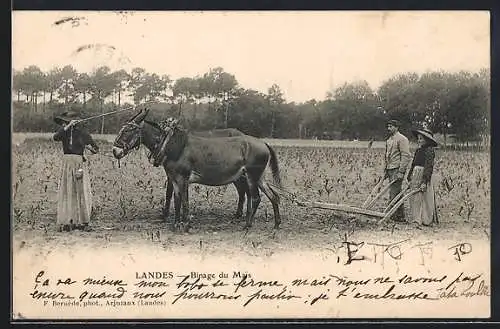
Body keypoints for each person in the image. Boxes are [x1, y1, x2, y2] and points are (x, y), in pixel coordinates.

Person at [53, 111, 99, 232]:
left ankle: (82, 221)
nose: (63, 124)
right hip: (67, 163)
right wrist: (67, 127)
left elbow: (96, 149)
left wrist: (90, 149)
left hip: (79, 164)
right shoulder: (64, 132)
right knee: (68, 191)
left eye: (65, 122)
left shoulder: (83, 133)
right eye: (63, 123)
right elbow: (55, 137)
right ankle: (68, 221)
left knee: (80, 191)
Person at [407, 127, 439, 226]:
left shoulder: (429, 151)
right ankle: (416, 218)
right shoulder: (418, 150)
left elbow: (428, 166)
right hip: (415, 174)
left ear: (427, 140)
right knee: (415, 197)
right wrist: (409, 176)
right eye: (419, 138)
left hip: (423, 174)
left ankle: (425, 219)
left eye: (422, 139)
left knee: (424, 197)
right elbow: (413, 163)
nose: (419, 140)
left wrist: (425, 181)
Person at [384, 119, 411, 222]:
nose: (389, 128)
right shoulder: (389, 140)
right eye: (388, 126)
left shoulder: (402, 139)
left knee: (394, 193)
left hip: (397, 169)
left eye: (391, 127)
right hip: (390, 168)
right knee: (397, 192)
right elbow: (387, 155)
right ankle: (400, 216)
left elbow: (406, 155)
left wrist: (401, 171)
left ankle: (391, 215)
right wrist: (385, 169)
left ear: (396, 127)